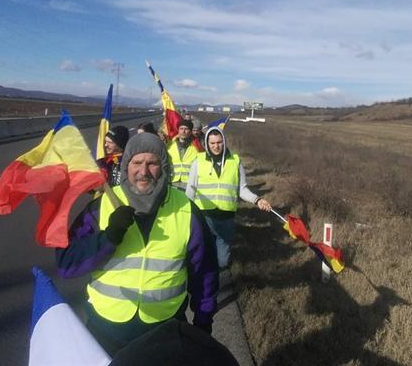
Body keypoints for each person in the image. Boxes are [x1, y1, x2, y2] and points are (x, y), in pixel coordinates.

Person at [56, 132, 219, 355]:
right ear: (126, 166)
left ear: (163, 167)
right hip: (105, 333)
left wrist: (203, 323)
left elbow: (205, 274)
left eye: (152, 163)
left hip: (164, 334)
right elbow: (66, 264)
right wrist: (109, 238)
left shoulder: (186, 211)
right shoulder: (100, 207)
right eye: (137, 163)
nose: (143, 172)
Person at [186, 127, 272, 268]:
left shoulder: (235, 161)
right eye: (212, 143)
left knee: (222, 261)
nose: (216, 146)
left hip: (226, 219)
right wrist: (186, 212)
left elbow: (242, 189)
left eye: (219, 142)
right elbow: (191, 188)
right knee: (202, 257)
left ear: (224, 142)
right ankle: (206, 287)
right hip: (204, 217)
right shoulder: (198, 161)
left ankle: (221, 281)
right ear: (207, 143)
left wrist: (258, 200)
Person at [166, 119, 202, 190]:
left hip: (189, 184)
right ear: (178, 130)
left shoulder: (197, 147)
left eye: (186, 129)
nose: (183, 131)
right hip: (172, 183)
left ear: (190, 131)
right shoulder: (169, 146)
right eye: (181, 129)